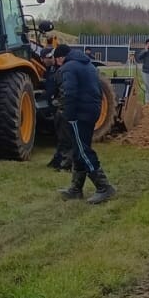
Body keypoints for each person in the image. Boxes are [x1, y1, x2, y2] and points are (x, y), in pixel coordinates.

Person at [53, 44, 115, 204]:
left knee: (83, 150)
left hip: (79, 114)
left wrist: (69, 115)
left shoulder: (68, 68)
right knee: (78, 149)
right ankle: (76, 188)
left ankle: (104, 187)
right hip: (92, 111)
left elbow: (70, 93)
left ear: (60, 58)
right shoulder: (87, 64)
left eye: (56, 60)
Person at [42, 52, 73, 171]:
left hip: (66, 107)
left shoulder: (66, 71)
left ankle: (66, 164)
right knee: (61, 135)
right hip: (60, 106)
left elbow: (64, 89)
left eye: (52, 57)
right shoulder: (55, 70)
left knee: (66, 136)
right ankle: (58, 160)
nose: (51, 59)